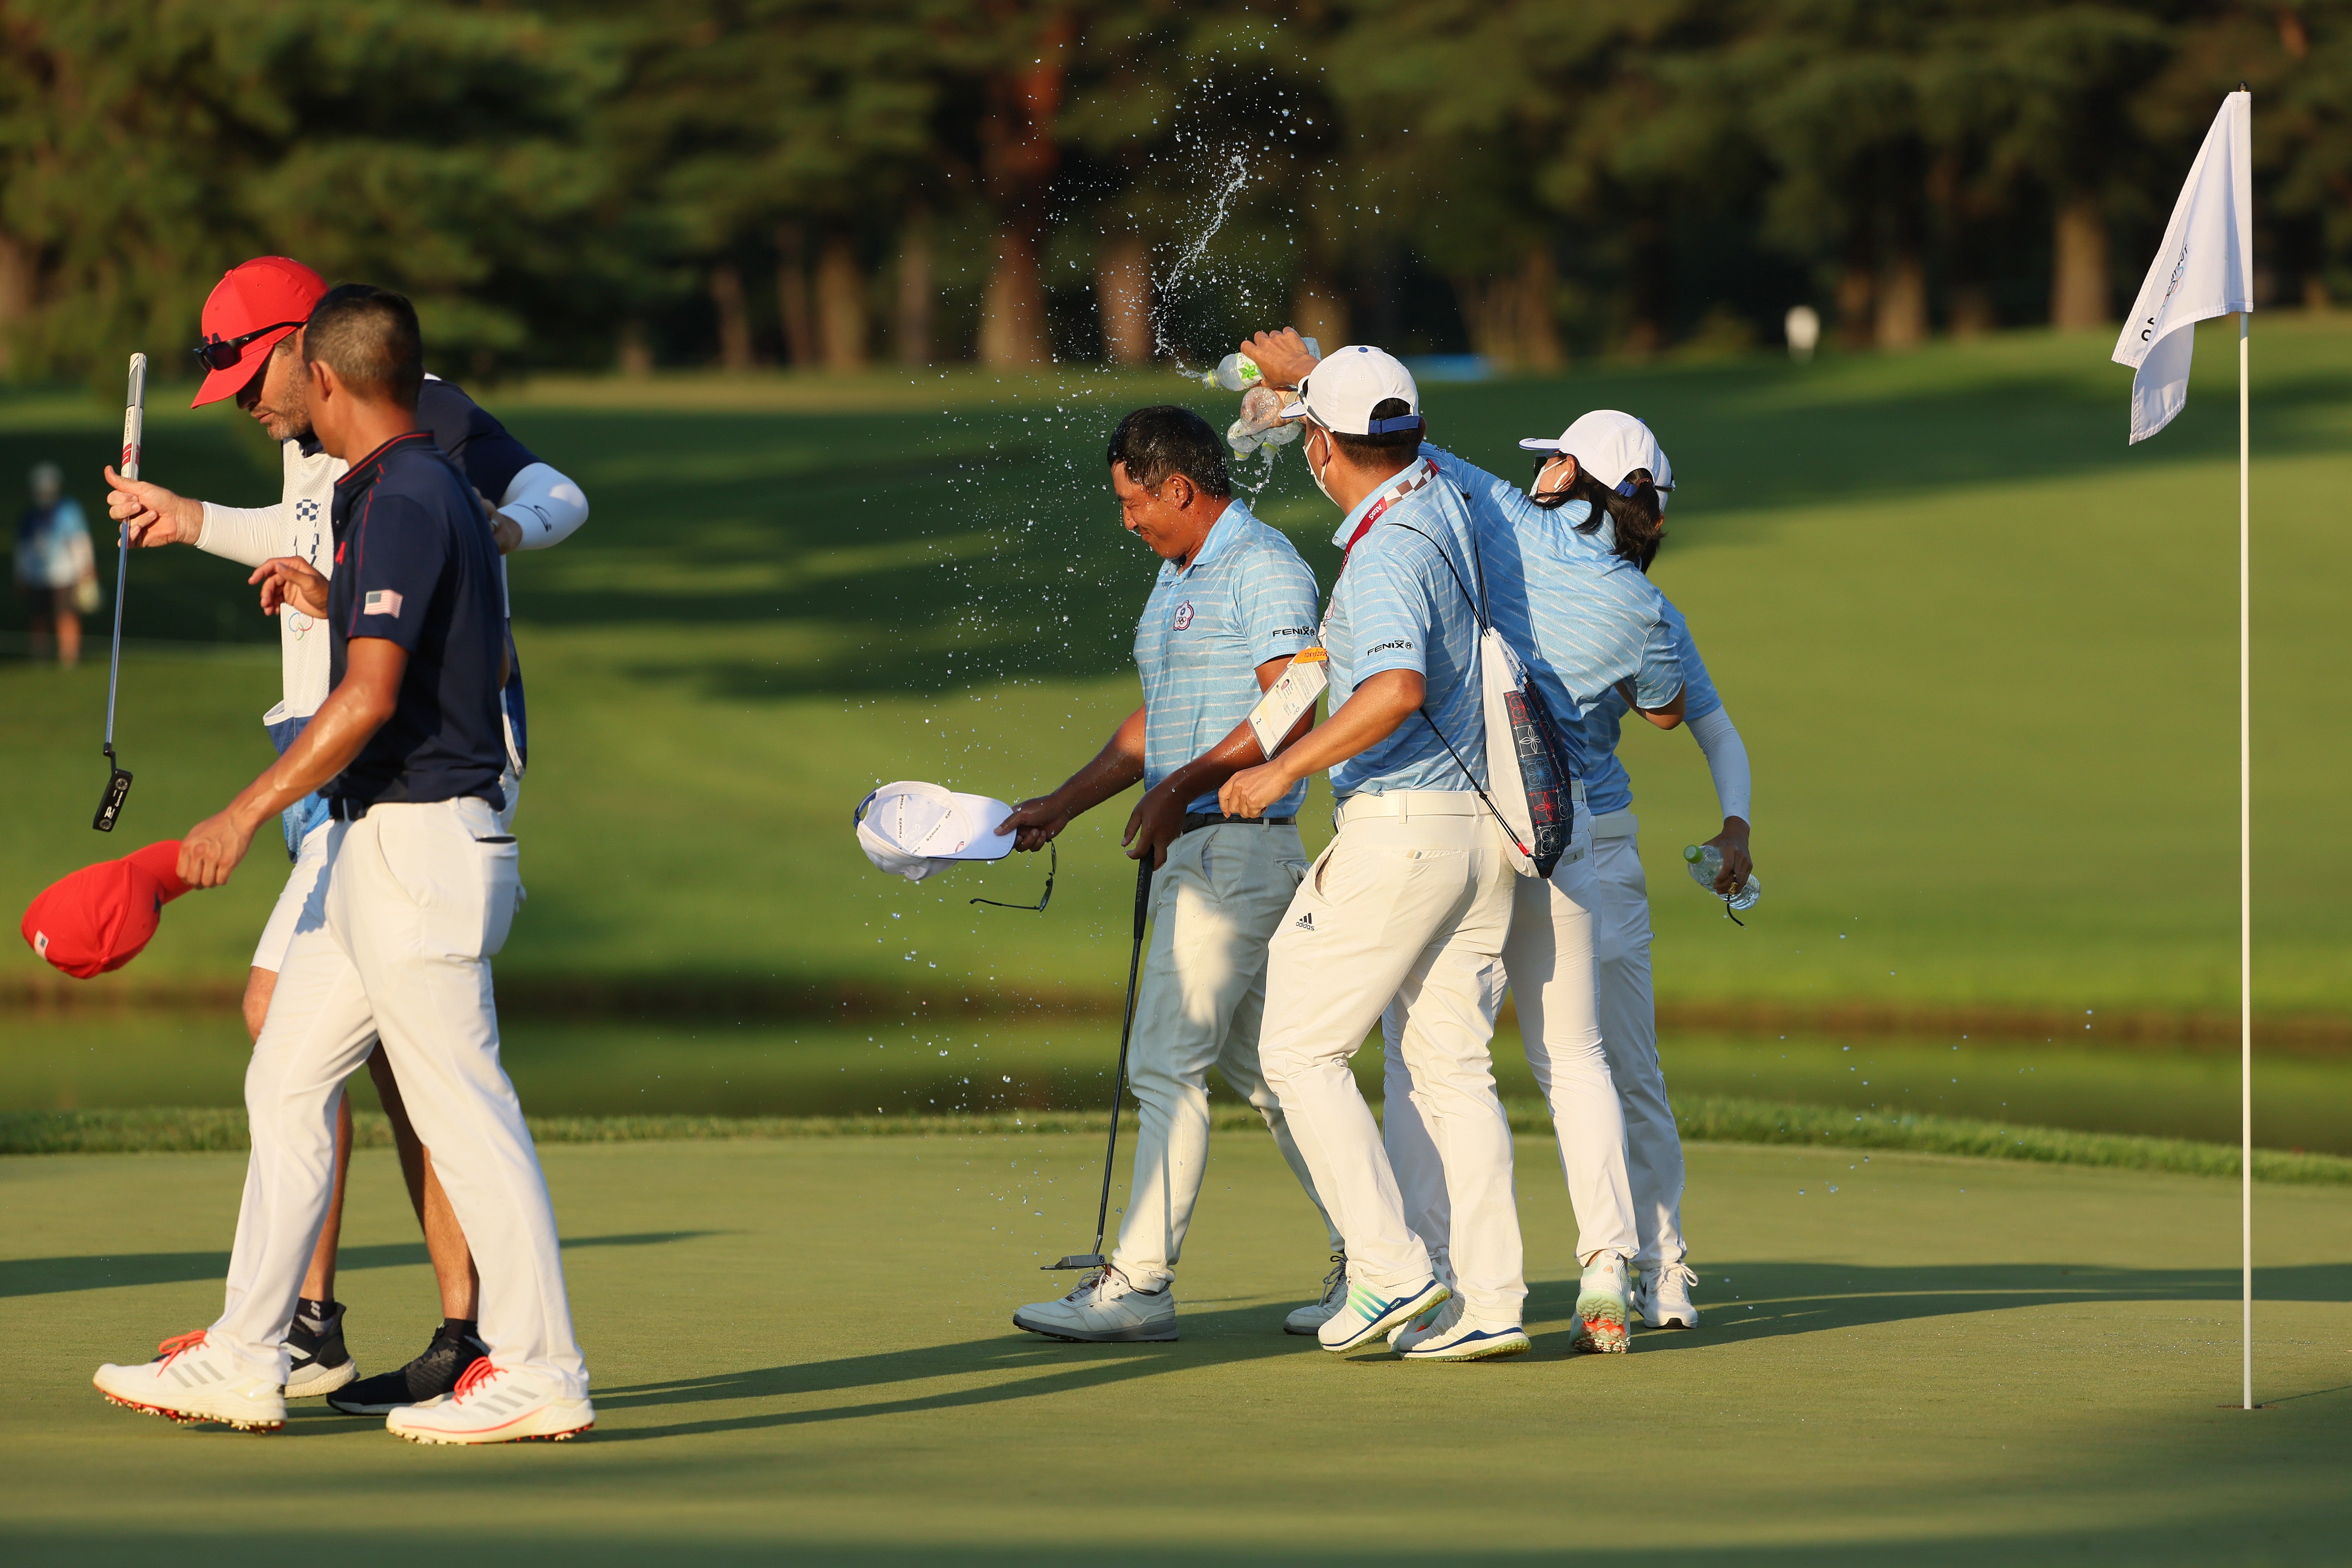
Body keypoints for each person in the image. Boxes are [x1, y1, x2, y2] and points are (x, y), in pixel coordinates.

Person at [91, 284, 593, 1443]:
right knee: (286, 1074)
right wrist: (321, 592)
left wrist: (234, 813)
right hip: (379, 846)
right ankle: (247, 1351)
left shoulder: (412, 493)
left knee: (466, 1112)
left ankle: (541, 1363)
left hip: (421, 844)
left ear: (323, 376)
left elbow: (368, 695)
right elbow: (438, 648)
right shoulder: (394, 492)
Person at [1000, 405, 1343, 1343]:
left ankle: (1140, 1284)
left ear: (1177, 488)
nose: (1127, 522)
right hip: (1208, 846)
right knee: (1275, 1071)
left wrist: (1181, 790)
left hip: (1230, 845)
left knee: (1163, 1062)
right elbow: (1159, 720)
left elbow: (1296, 700)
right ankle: (1383, 1258)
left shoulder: (1262, 564)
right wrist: (1067, 801)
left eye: (1131, 503)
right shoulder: (1175, 576)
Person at [1218, 336, 1529, 1363]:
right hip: (1480, 832)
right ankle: (1488, 1301)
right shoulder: (1436, 492)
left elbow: (1392, 689)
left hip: (1402, 829)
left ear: (1322, 449)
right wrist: (1304, 379)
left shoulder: (1388, 549)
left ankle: (1390, 1269)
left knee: (1295, 1049)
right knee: (1449, 1072)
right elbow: (1354, 416)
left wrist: (1280, 769)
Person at [1368, 407, 1687, 1356]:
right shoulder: (1641, 606)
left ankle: (1432, 1271)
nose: (1540, 466)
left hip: (1474, 815)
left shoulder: (1512, 521)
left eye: (1555, 457)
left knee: (1433, 1050)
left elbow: (1416, 455)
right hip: (1572, 826)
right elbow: (1664, 710)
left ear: (1580, 480)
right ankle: (1607, 1261)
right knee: (1573, 1053)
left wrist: (1312, 380)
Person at [1561, 412, 1753, 1332]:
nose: (1544, 478)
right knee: (1452, 1062)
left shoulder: (1645, 612)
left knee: (1622, 1063)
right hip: (1500, 838)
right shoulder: (1517, 562)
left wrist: (1734, 825)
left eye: (1559, 464)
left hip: (1592, 840)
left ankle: (1660, 1263)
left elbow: (1704, 725)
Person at [15, 462, 96, 667]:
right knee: (39, 617)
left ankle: (69, 656)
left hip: (65, 573)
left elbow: (79, 541)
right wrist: (22, 574)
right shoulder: (30, 515)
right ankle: (40, 655)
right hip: (38, 574)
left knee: (67, 615)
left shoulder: (69, 510)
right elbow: (24, 548)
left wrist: (86, 568)